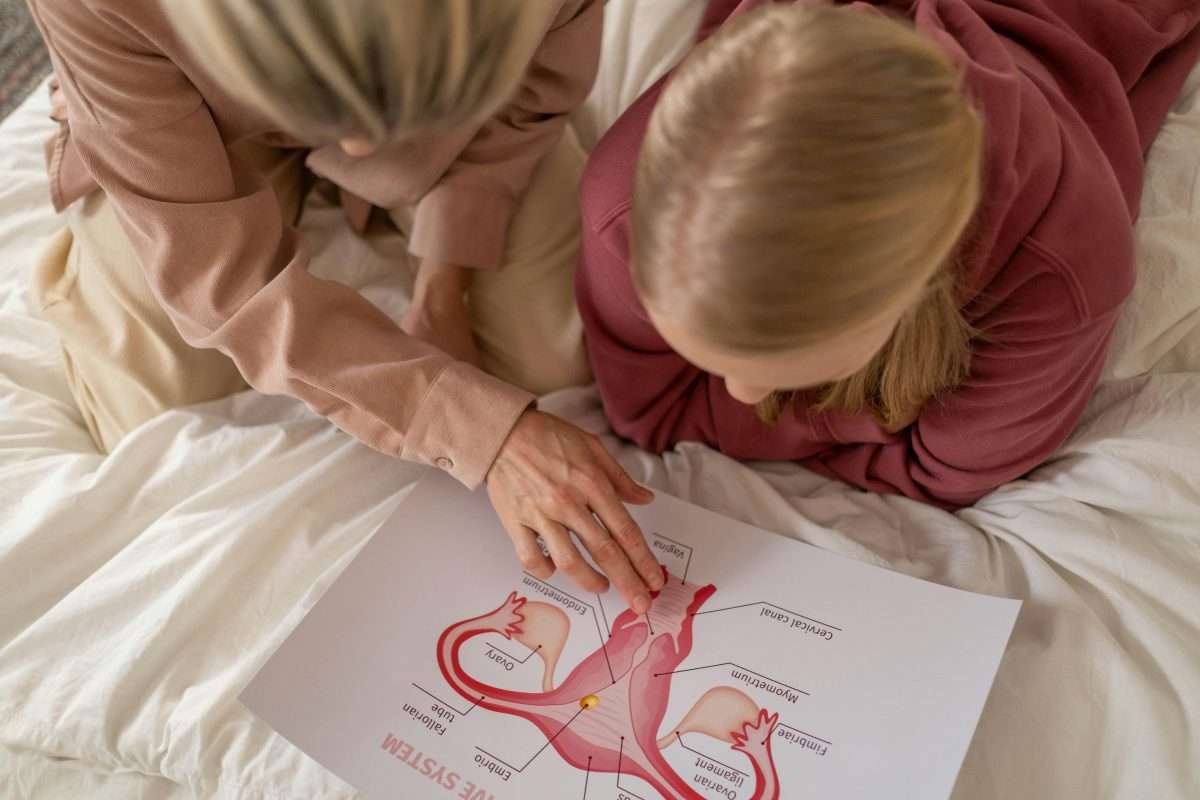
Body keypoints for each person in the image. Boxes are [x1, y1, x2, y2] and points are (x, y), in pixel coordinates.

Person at [27, 0, 664, 610]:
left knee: (558, 358)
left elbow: (528, 100)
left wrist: (444, 285)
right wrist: (477, 430)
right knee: (157, 422)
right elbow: (222, 284)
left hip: (458, 132)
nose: (358, 148)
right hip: (188, 121)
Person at [577, 0, 1200, 509]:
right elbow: (649, 414)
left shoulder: (1061, 268)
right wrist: (871, 423)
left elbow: (944, 476)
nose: (738, 396)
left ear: (914, 290)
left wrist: (821, 422)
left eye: (783, 370)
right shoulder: (626, 200)